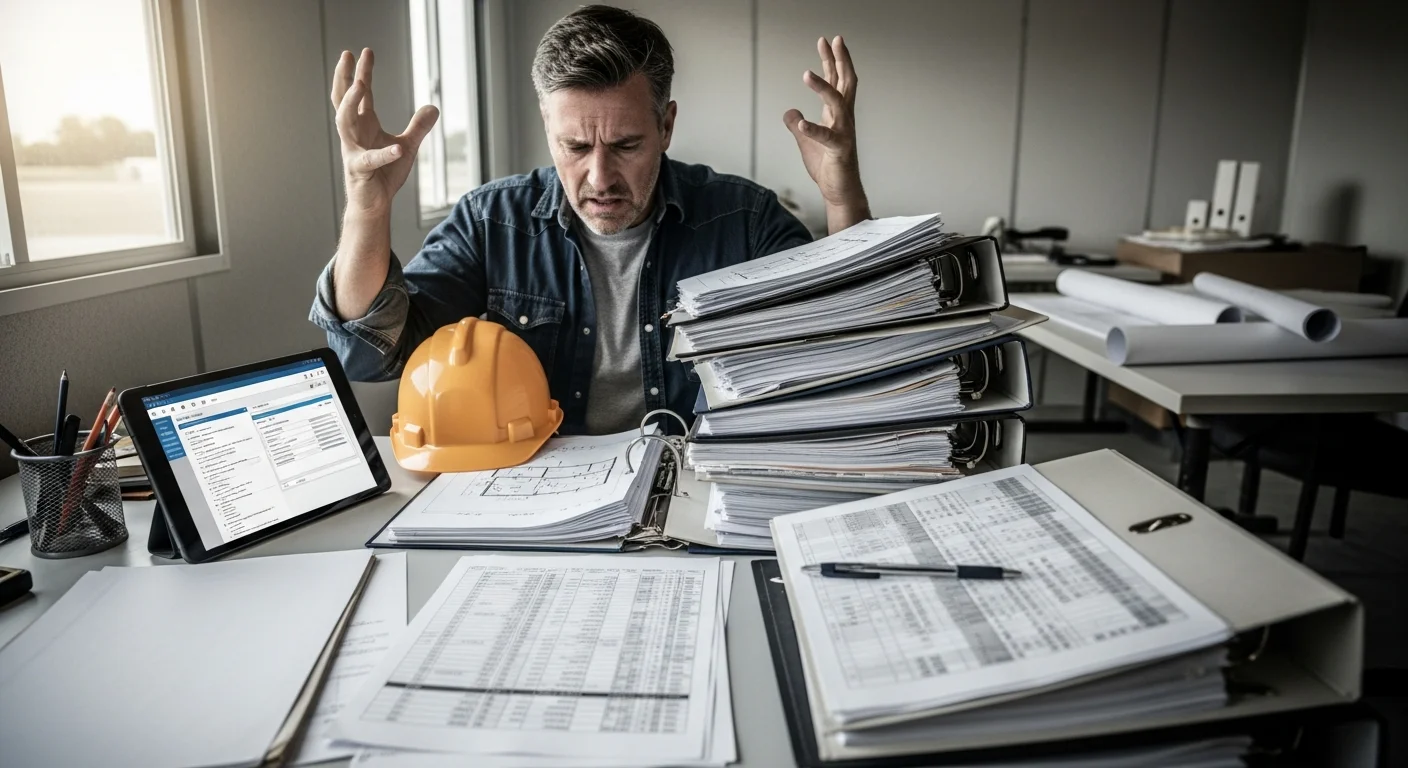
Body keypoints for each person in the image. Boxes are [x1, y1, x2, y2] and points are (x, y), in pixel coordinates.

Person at [311, 5, 870, 434]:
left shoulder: (742, 218)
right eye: (575, 146)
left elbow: (853, 345)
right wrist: (368, 202)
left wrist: (842, 196)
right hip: (541, 493)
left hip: (698, 486)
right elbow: (367, 355)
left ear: (667, 127)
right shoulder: (493, 221)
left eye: (626, 144)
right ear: (546, 126)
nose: (599, 177)